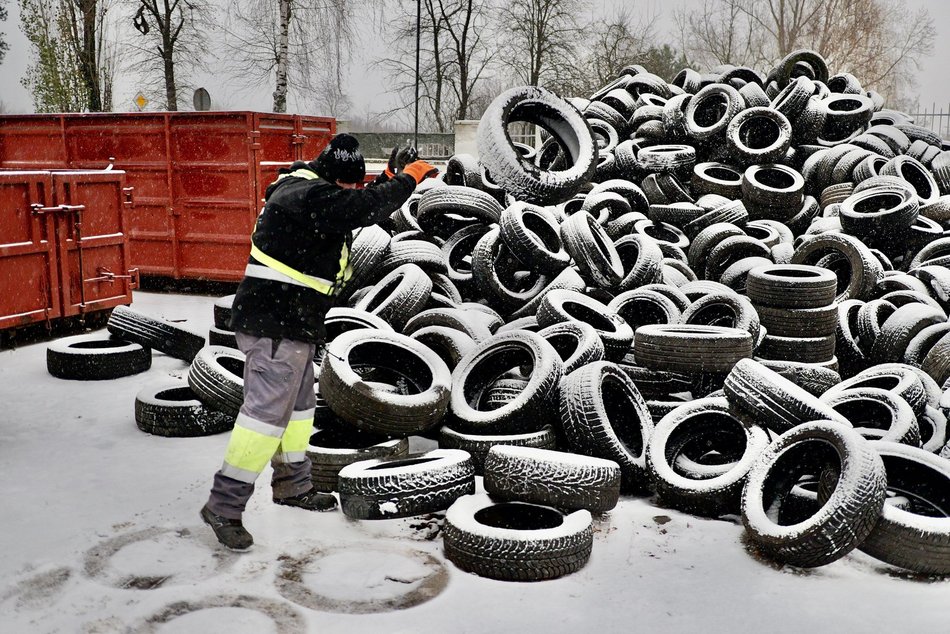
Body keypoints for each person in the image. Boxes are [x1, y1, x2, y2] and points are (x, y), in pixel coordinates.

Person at [200, 133, 438, 550]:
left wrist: (385, 176)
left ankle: (293, 486)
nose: (353, 192)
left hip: (295, 322)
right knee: (264, 418)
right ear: (333, 178)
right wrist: (407, 180)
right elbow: (357, 208)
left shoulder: (312, 190)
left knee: (298, 411)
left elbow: (352, 205)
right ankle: (224, 504)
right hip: (274, 323)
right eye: (350, 184)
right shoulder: (304, 193)